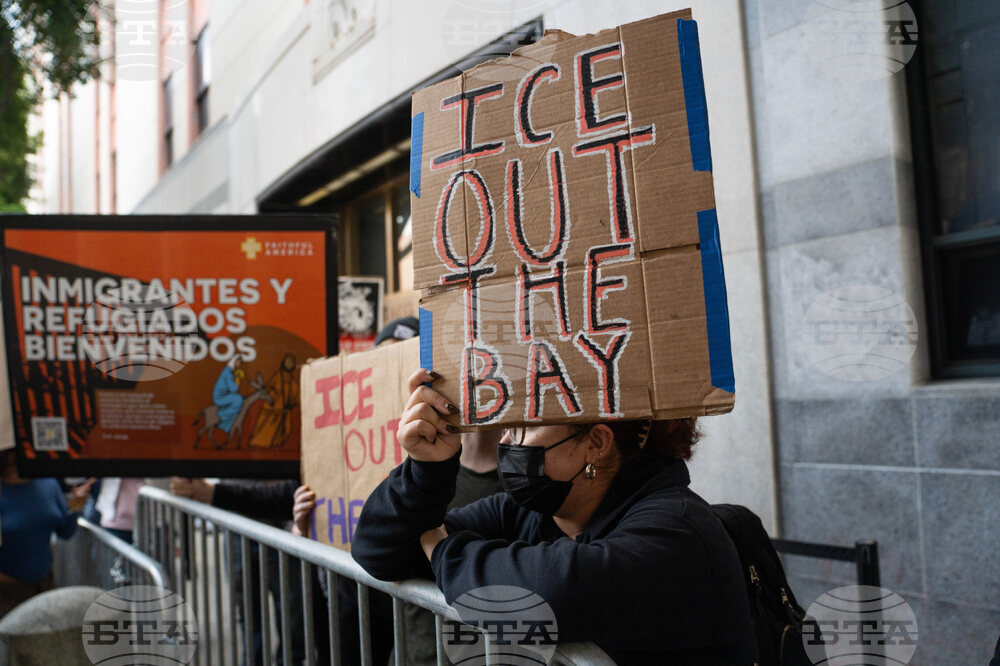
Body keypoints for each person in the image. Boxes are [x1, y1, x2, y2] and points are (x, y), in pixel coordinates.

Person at [351, 369, 757, 664]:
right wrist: (428, 469)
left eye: (527, 426)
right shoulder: (528, 511)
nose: (508, 441)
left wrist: (442, 549)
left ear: (596, 443)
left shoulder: (677, 529)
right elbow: (381, 550)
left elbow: (549, 590)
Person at [170, 476, 328, 666]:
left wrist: (214, 493)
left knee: (291, 613)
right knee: (249, 613)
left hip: (284, 529)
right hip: (239, 528)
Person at [0, 446, 93, 618]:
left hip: (43, 587)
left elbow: (65, 532)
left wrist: (74, 507)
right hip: (6, 593)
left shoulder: (48, 484)